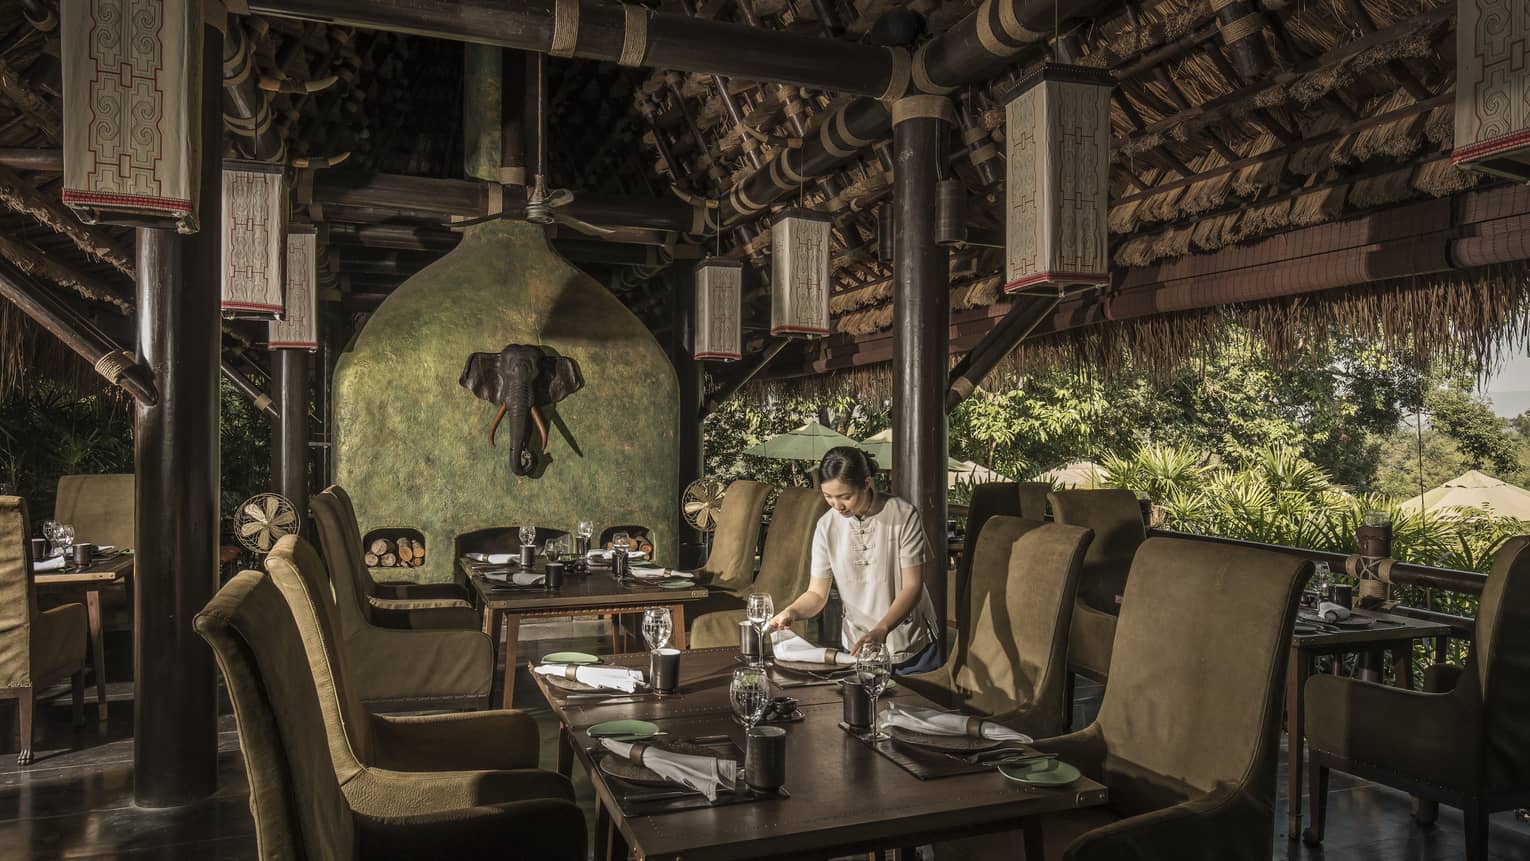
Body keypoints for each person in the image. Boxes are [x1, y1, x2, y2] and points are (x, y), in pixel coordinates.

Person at [766, 446, 943, 675]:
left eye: (845, 497)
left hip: (910, 645)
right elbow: (817, 595)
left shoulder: (903, 515)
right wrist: (792, 611)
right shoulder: (826, 526)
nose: (837, 505)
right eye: (828, 496)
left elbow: (913, 586)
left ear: (867, 483)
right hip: (858, 646)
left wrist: (882, 628)